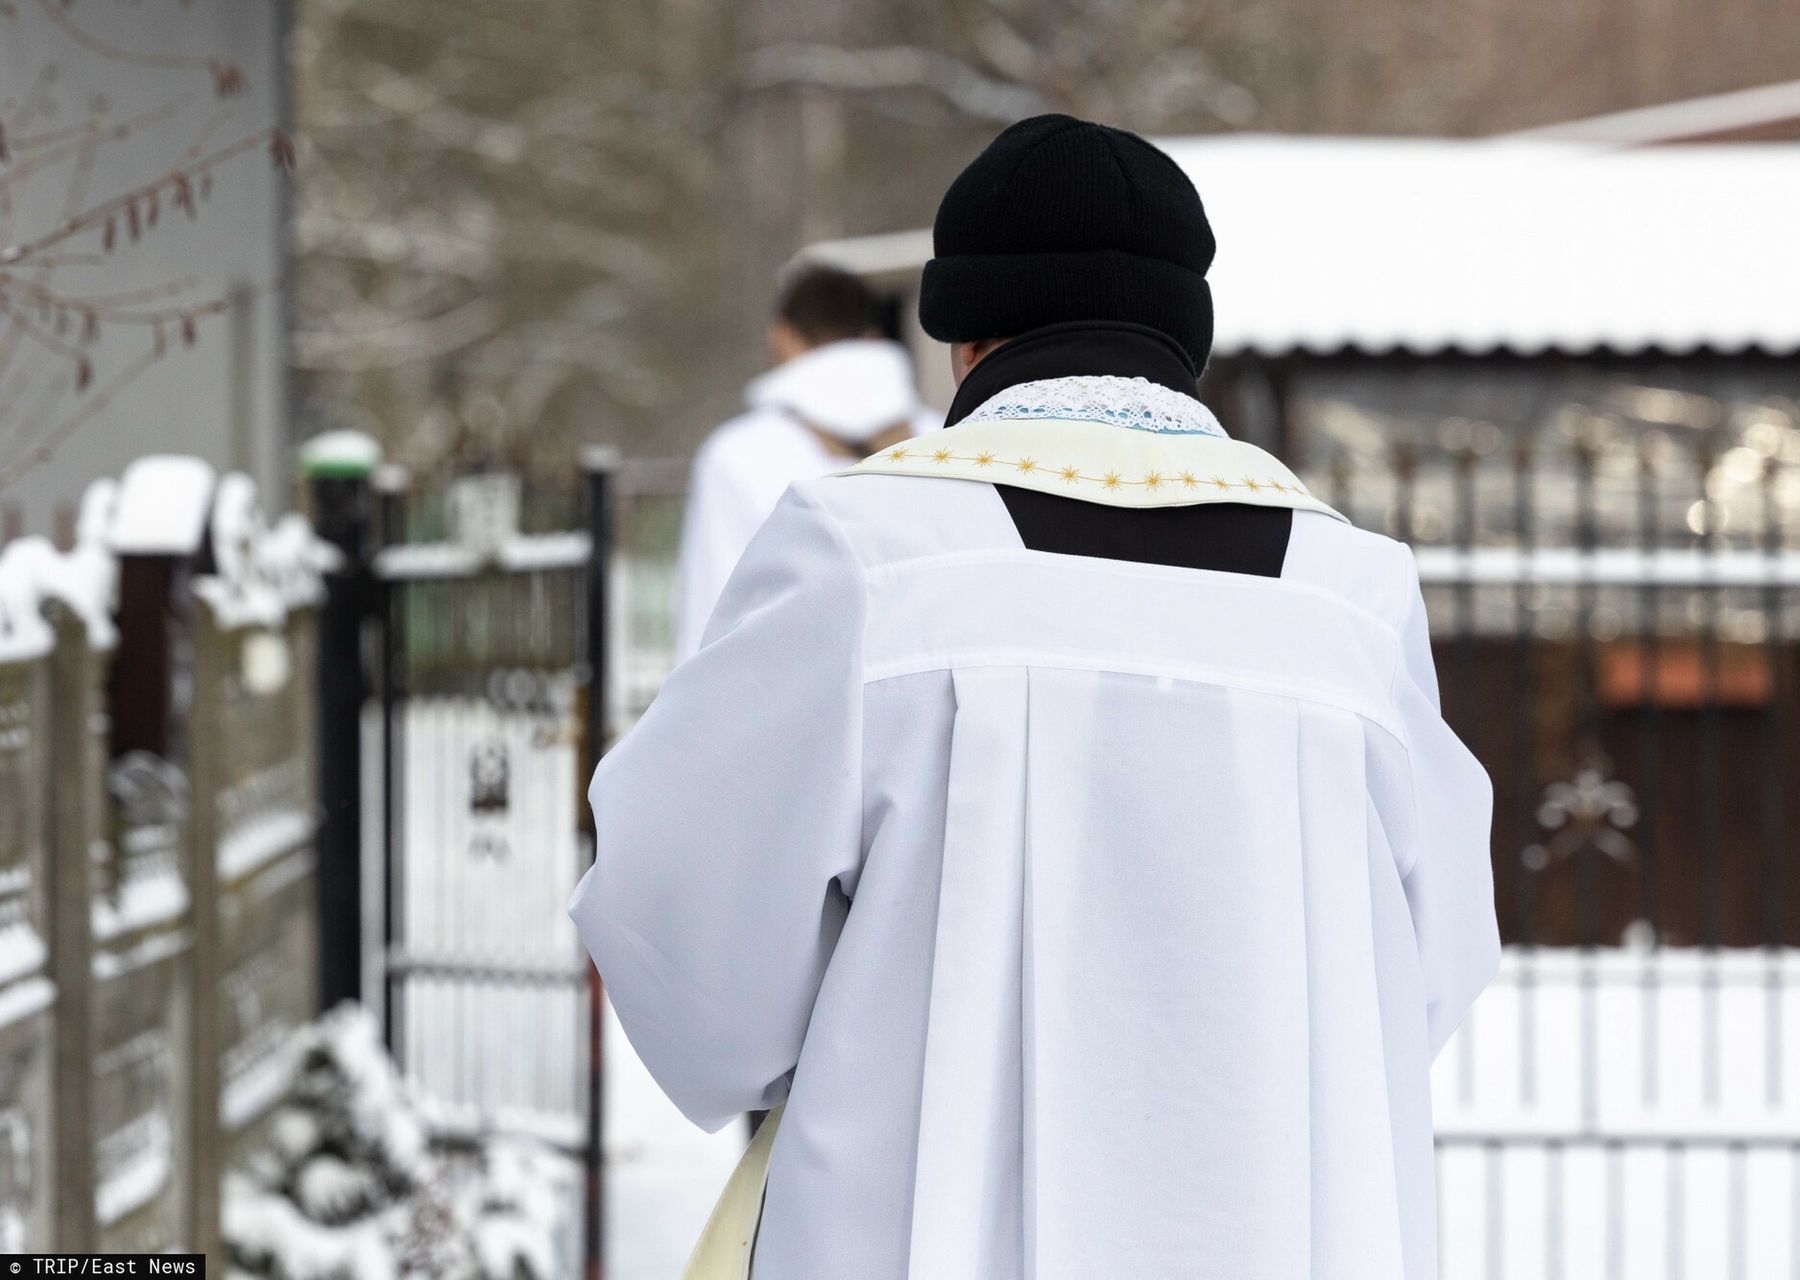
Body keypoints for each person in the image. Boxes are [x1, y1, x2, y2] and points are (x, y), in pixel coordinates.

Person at [574, 114, 1498, 1278]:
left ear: (965, 339)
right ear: (1185, 337)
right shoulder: (1352, 598)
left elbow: (689, 942)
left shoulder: (866, 560)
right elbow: (1426, 966)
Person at [672, 263, 935, 663]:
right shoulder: (943, 438)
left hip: (793, 689)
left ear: (780, 337)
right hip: (921, 685)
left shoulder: (740, 455)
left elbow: (712, 616)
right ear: (873, 337)